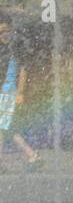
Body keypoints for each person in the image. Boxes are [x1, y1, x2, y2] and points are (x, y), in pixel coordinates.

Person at [0, 14, 39, 165]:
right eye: (1, 31)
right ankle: (32, 155)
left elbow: (23, 70)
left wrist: (20, 93)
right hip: (3, 93)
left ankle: (33, 155)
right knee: (5, 129)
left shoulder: (14, 48)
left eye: (5, 30)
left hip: (7, 93)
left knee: (4, 129)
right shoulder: (4, 48)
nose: (3, 34)